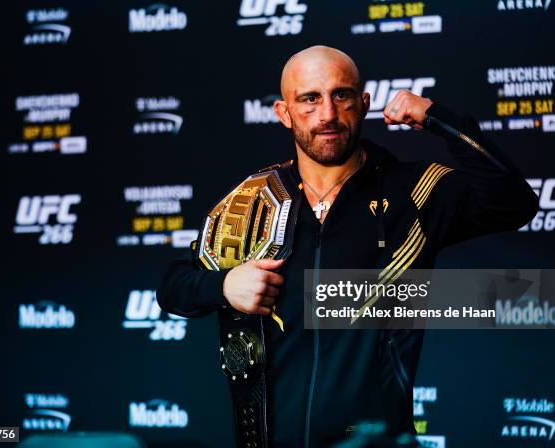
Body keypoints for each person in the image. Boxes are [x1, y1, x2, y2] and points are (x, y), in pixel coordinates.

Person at [157, 45, 538, 447]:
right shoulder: (253, 201)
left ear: (364, 103)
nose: (328, 115)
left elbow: (514, 201)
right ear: (283, 113)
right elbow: (172, 285)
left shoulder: (415, 191)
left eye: (342, 95)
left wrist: (436, 118)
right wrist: (224, 286)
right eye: (309, 99)